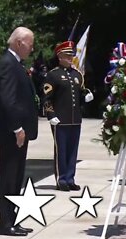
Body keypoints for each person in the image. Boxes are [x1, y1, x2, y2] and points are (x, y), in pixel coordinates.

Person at [0, 27, 38, 236]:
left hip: (17, 131)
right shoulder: (7, 65)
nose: (32, 48)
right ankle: (5, 222)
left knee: (16, 177)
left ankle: (12, 218)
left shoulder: (15, 64)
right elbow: (7, 100)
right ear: (19, 42)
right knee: (9, 177)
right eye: (30, 43)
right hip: (11, 132)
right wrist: (17, 128)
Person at [43, 41, 94, 191]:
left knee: (73, 150)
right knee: (61, 150)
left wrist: (86, 96)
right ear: (60, 56)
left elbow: (80, 94)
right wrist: (50, 114)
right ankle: (62, 178)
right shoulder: (53, 75)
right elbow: (47, 98)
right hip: (60, 119)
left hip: (74, 119)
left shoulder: (77, 74)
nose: (70, 58)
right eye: (67, 55)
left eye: (71, 55)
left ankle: (70, 178)